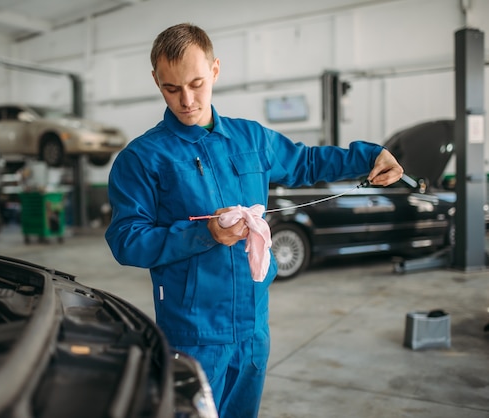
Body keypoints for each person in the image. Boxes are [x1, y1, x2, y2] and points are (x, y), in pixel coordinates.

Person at [105, 23, 403, 417]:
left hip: (252, 324)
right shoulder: (143, 158)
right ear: (156, 81)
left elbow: (306, 162)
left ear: (214, 70)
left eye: (196, 83)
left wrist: (369, 157)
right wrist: (203, 233)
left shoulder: (251, 140)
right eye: (171, 88)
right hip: (191, 331)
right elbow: (127, 239)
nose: (187, 100)